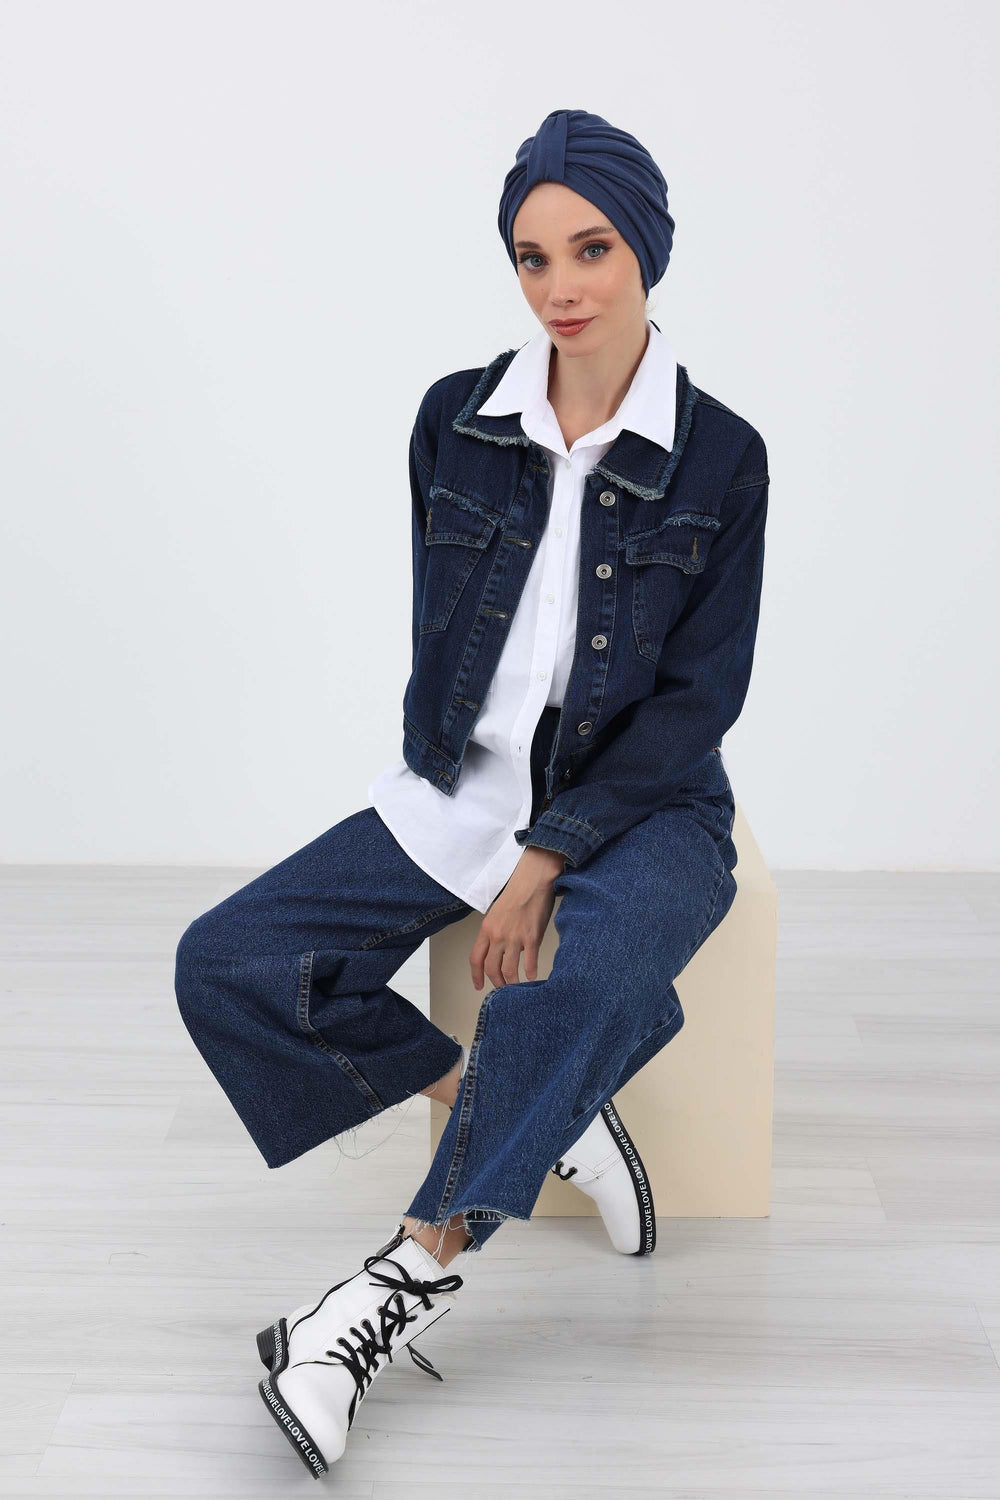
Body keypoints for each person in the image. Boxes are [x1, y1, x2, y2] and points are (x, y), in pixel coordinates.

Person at [174, 107, 769, 1477]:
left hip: (646, 800)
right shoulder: (456, 418)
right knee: (229, 962)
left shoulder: (723, 455)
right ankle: (542, 1111)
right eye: (531, 257)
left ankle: (384, 1293)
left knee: (590, 980)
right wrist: (475, 802)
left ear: (647, 249)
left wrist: (548, 855)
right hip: (463, 780)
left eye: (592, 249)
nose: (561, 287)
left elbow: (698, 699)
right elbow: (449, 638)